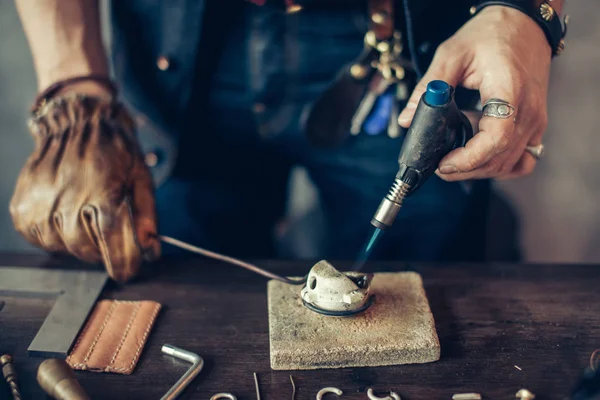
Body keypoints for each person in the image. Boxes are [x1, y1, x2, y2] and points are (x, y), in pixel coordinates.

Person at [10, 0, 566, 281]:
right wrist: (74, 90)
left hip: (400, 42)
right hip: (184, 46)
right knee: (180, 289)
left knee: (426, 287)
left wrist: (526, 12)